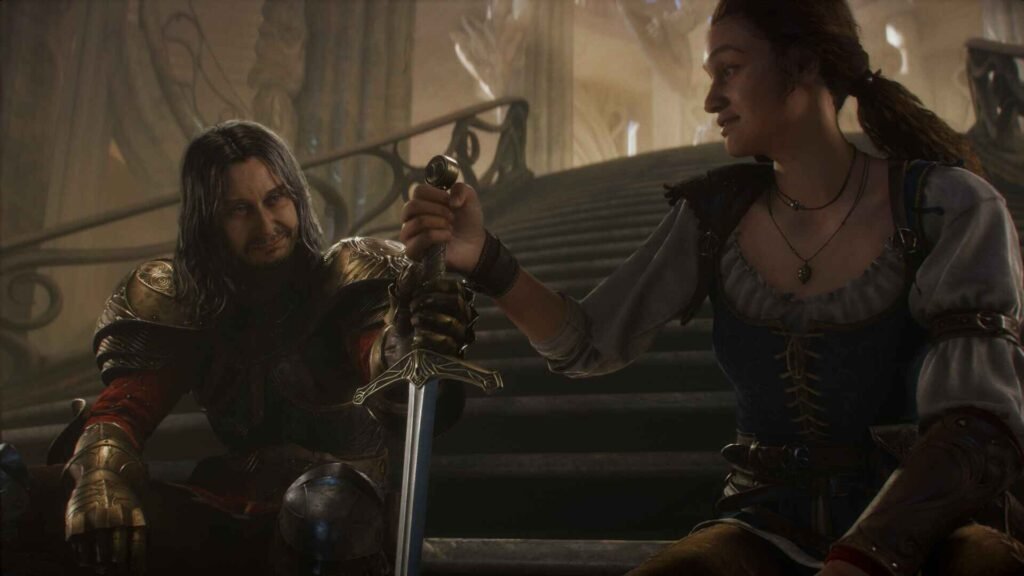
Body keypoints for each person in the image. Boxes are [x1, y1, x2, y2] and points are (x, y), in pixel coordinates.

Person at [399, 1, 1024, 575]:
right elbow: (587, 341)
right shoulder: (713, 217)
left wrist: (862, 557)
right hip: (765, 528)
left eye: (729, 69)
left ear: (805, 63)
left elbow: (976, 428)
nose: (709, 100)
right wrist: (484, 259)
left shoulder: (946, 207)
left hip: (928, 533)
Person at [5, 120, 473, 576]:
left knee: (325, 511)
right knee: (17, 492)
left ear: (296, 198)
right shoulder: (189, 303)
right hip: (236, 505)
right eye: (239, 210)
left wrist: (405, 343)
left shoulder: (344, 281)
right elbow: (125, 409)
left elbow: (381, 363)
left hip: (341, 517)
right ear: (208, 222)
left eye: (275, 199)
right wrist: (100, 475)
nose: (267, 225)